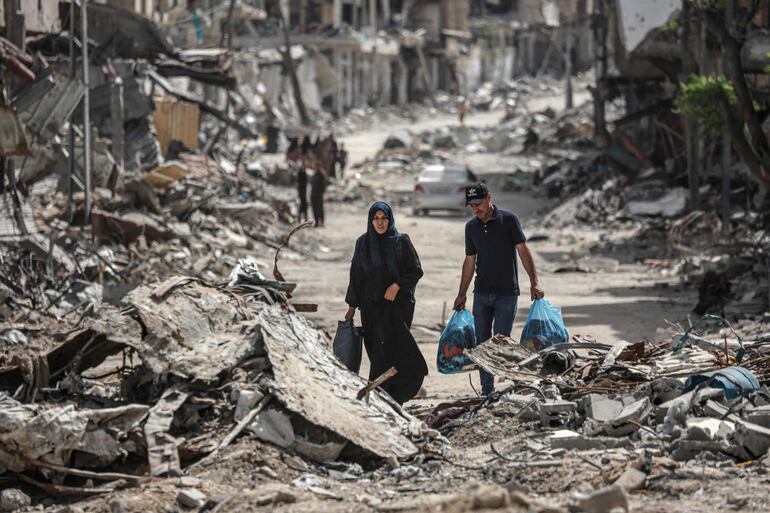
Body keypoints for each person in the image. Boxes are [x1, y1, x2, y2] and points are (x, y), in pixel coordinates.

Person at [453, 182, 544, 395]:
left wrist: (534, 282)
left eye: (478, 203)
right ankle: (487, 390)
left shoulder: (509, 220)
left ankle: (510, 386)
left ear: (489, 198)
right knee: (482, 344)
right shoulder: (471, 227)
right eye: (471, 205)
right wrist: (461, 294)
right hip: (482, 293)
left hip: (506, 293)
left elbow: (523, 251)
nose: (476, 208)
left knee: (501, 341)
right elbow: (469, 262)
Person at [345, 202, 428, 404]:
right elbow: (356, 275)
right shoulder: (363, 244)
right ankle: (384, 391)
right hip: (370, 307)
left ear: (390, 220)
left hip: (397, 307)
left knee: (396, 349)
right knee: (375, 348)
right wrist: (351, 307)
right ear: (370, 220)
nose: (380, 223)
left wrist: (397, 285)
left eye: (384, 218)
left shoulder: (401, 242)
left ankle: (391, 393)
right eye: (376, 218)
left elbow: (415, 271)